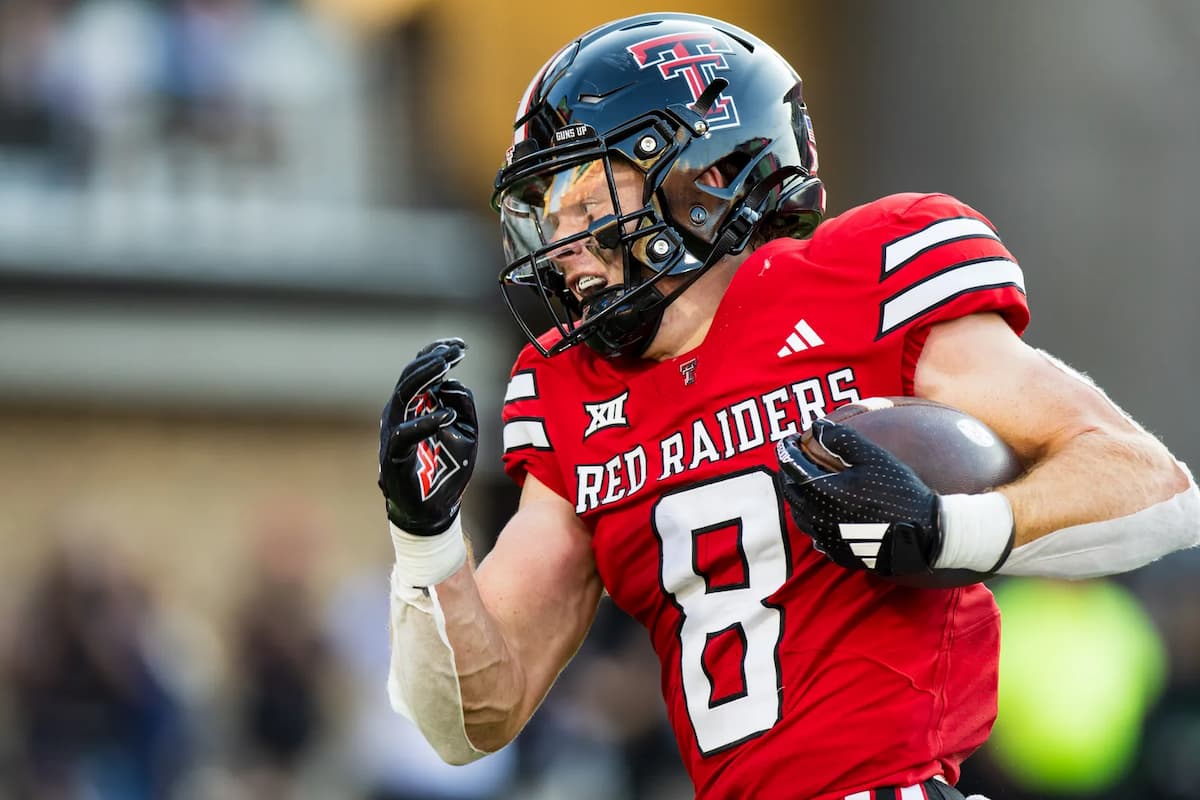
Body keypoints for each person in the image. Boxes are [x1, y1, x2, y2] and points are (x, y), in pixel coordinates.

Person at [376, 12, 1200, 800]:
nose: (565, 245)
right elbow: (472, 720)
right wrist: (426, 546)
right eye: (550, 213)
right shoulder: (575, 391)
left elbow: (1153, 489)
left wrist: (945, 529)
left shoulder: (859, 278)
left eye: (591, 202)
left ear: (706, 176)